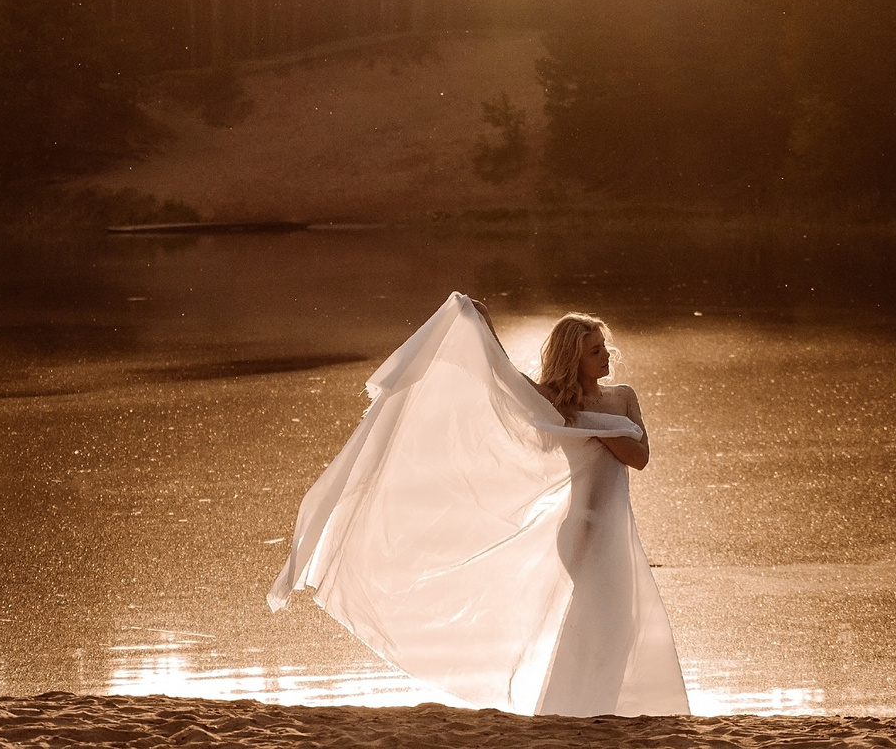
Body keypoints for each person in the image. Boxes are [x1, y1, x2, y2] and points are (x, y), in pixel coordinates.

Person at [267, 294, 690, 717]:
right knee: (597, 616)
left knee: (618, 622)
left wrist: (593, 428)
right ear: (573, 358)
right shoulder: (559, 403)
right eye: (594, 351)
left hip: (614, 528)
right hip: (581, 527)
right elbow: (504, 377)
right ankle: (574, 711)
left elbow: (640, 457)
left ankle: (595, 708)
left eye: (604, 348)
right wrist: (480, 324)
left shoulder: (622, 398)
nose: (605, 357)